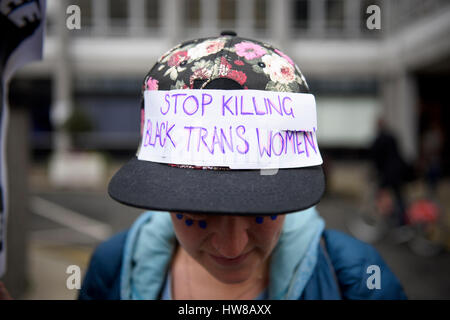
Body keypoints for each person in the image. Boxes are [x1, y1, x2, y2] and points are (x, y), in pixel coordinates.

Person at [79, 33, 407, 300]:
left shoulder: (358, 279)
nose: (231, 246)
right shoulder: (113, 268)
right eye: (194, 211)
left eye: (262, 210)